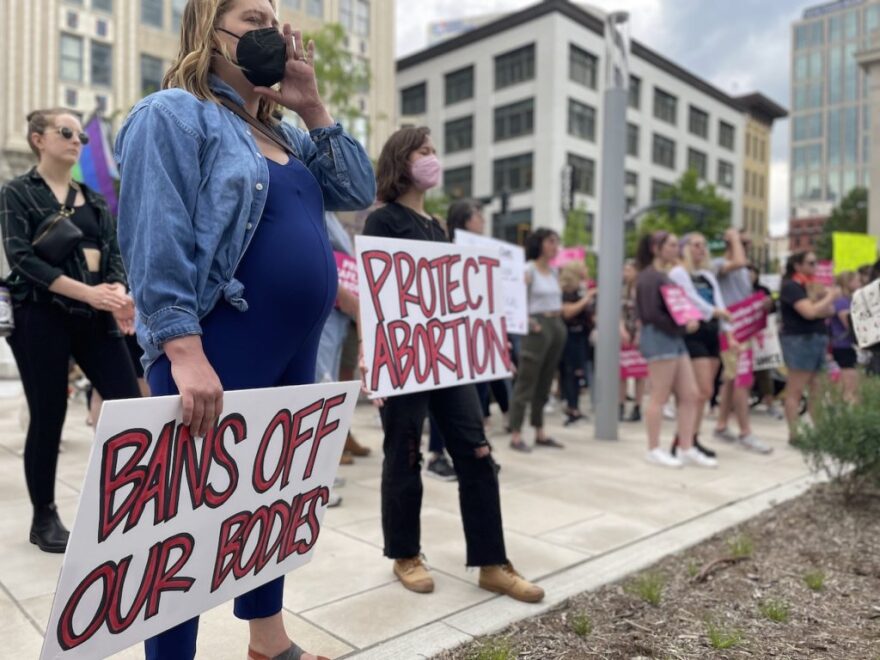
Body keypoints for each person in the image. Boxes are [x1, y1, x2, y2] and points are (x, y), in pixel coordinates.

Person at [114, 1, 376, 659]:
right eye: (255, 16)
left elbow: (356, 189)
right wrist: (182, 349)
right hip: (220, 345)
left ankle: (269, 643)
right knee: (185, 527)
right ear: (211, 30)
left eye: (276, 19)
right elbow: (155, 235)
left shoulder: (288, 136)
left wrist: (312, 106)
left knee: (270, 505)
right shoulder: (171, 114)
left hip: (294, 353)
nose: (273, 31)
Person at [362, 126, 544, 603]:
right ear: (402, 161)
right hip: (406, 356)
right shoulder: (383, 221)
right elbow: (382, 295)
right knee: (403, 451)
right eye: (425, 151)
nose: (433, 159)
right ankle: (405, 553)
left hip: (446, 358)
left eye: (435, 151)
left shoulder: (438, 226)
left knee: (477, 450)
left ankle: (491, 561)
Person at [0, 108, 141, 553]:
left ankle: (127, 504)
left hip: (95, 314)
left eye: (79, 133)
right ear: (38, 139)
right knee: (48, 416)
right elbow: (23, 259)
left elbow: (113, 251)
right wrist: (90, 293)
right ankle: (44, 517)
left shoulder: (93, 198)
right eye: (66, 131)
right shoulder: (17, 193)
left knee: (129, 407)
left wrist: (117, 287)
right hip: (39, 313)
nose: (76, 139)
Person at [634, 231, 716, 469]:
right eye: (670, 245)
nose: (675, 249)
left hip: (674, 337)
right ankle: (653, 448)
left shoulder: (663, 276)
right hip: (661, 338)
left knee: (690, 393)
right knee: (659, 395)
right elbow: (650, 314)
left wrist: (684, 321)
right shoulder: (649, 277)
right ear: (655, 248)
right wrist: (680, 323)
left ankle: (686, 446)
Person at [315, 210, 371, 466]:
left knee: (337, 375)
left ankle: (337, 440)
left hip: (342, 309)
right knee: (323, 378)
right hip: (332, 303)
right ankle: (322, 452)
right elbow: (318, 256)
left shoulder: (332, 214)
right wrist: (343, 294)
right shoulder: (318, 210)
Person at [669, 233, 733, 457]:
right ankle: (684, 437)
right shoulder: (678, 273)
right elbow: (689, 297)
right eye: (696, 245)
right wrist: (714, 312)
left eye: (704, 245)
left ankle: (691, 437)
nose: (701, 249)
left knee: (705, 392)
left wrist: (728, 330)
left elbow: (718, 300)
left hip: (711, 330)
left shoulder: (707, 274)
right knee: (699, 389)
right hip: (693, 331)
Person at [508, 228, 567, 451]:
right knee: (526, 381)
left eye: (556, 242)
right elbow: (516, 300)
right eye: (551, 241)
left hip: (556, 325)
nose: (555, 246)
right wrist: (529, 321)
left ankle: (539, 429)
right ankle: (515, 433)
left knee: (545, 381)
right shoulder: (528, 269)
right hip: (537, 326)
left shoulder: (553, 272)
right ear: (539, 244)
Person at [711, 229, 769, 452]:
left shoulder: (743, 270)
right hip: (730, 332)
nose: (747, 247)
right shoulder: (719, 264)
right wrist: (734, 237)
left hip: (744, 329)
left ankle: (722, 424)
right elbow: (738, 262)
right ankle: (746, 432)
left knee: (731, 379)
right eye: (743, 242)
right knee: (742, 381)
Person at [779, 252, 836, 443]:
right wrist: (830, 297)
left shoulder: (811, 286)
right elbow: (810, 312)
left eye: (816, 263)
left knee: (818, 389)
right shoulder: (791, 286)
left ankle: (818, 431)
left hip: (818, 338)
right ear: (797, 265)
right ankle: (794, 434)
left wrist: (824, 298)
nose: (815, 267)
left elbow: (829, 311)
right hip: (800, 340)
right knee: (795, 389)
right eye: (811, 263)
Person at [559, 260, 595, 425]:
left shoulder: (581, 288)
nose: (586, 270)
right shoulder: (567, 290)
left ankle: (575, 407)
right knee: (571, 372)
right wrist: (587, 298)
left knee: (578, 372)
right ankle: (571, 408)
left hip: (582, 336)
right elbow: (567, 312)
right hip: (570, 336)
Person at [748, 264, 783, 419]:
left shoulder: (763, 290)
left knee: (764, 370)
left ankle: (769, 401)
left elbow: (773, 311)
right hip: (742, 335)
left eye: (752, 273)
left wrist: (769, 305)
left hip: (760, 335)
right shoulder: (737, 289)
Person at [619, 259, 645, 422]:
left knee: (639, 372)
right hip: (624, 332)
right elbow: (618, 311)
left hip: (639, 333)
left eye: (629, 270)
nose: (626, 273)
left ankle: (637, 406)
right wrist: (621, 329)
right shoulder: (622, 290)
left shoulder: (642, 290)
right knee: (622, 371)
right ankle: (620, 405)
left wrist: (640, 333)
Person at [829, 271, 860, 403]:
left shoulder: (848, 300)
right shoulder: (842, 302)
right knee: (849, 382)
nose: (860, 284)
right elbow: (849, 324)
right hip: (843, 345)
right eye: (856, 281)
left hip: (845, 345)